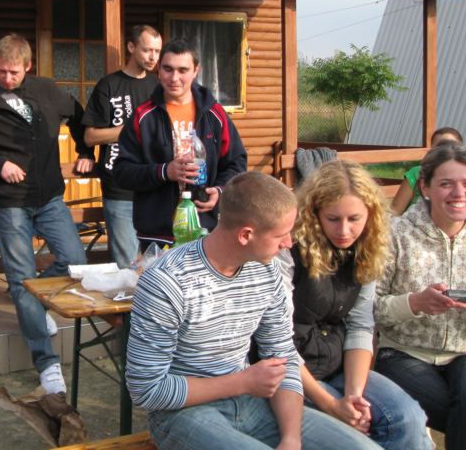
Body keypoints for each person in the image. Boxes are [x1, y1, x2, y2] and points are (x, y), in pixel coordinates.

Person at [126, 170, 380, 450]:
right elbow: (146, 390)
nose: (289, 243)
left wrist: (291, 438)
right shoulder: (168, 282)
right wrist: (242, 382)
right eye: (281, 235)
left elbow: (282, 355)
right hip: (183, 414)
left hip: (250, 403)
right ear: (246, 234)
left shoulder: (266, 269)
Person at [0, 33, 94, 395]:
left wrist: (86, 152)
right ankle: (47, 363)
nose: (6, 78)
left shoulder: (47, 91)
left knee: (75, 261)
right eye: (1, 71)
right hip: (10, 201)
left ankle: (34, 305)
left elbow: (80, 117)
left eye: (13, 72)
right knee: (20, 279)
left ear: (28, 66)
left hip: (49, 197)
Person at [280, 160, 430, 449]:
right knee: (354, 438)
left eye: (354, 219)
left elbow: (361, 325)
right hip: (289, 373)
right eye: (333, 219)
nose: (345, 230)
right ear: (314, 213)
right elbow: (276, 339)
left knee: (409, 419)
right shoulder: (287, 250)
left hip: (338, 366)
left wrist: (354, 395)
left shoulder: (368, 249)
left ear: (370, 215)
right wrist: (332, 405)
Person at [113, 38, 247, 249]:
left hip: (205, 232)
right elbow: (122, 172)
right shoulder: (143, 116)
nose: (174, 78)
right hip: (157, 236)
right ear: (158, 69)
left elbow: (237, 162)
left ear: (196, 71)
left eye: (183, 70)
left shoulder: (215, 114)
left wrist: (220, 191)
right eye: (168, 69)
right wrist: (164, 171)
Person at [374, 143, 466, 449]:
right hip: (403, 352)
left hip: (462, 351)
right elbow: (369, 308)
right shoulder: (395, 234)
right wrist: (414, 303)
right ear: (424, 187)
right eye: (447, 184)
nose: (458, 193)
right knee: (458, 411)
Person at [82, 24, 162, 268]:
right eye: (147, 50)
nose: (153, 57)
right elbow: (90, 137)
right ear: (131, 47)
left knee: (157, 263)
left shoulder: (159, 87)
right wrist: (131, 130)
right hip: (120, 188)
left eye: (157, 51)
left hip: (154, 188)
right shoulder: (109, 85)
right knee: (126, 265)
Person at [390, 127, 462, 215]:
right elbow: (395, 211)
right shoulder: (416, 173)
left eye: (450, 145)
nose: (445, 151)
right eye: (438, 147)